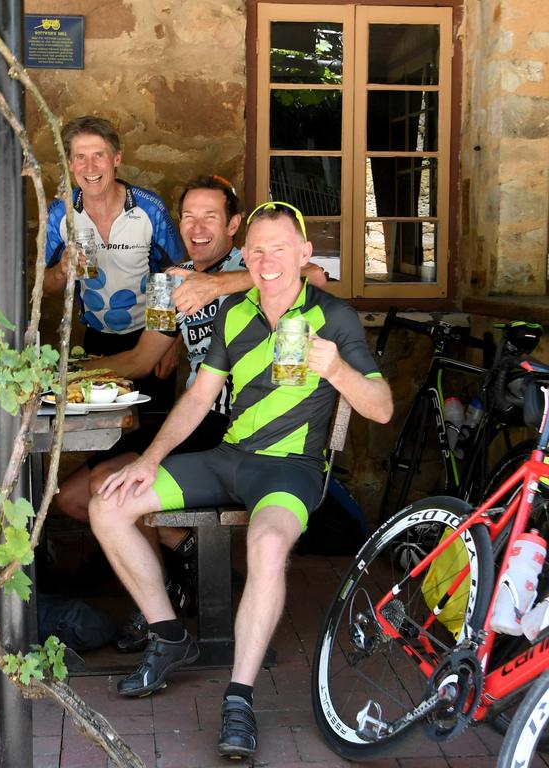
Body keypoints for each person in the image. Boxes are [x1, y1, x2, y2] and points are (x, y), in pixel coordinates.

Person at [88, 202, 392, 760]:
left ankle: (239, 695)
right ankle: (168, 634)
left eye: (279, 248)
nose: (266, 259)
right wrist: (148, 459)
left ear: (304, 256)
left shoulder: (335, 316)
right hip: (228, 457)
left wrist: (338, 371)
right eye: (256, 249)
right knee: (108, 504)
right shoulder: (233, 311)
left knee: (269, 543)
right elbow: (200, 397)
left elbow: (382, 409)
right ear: (243, 256)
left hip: (291, 469)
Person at [42, 115, 184, 423]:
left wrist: (172, 340)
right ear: (69, 163)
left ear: (116, 158)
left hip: (151, 334)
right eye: (80, 157)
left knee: (151, 427)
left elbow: (175, 274)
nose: (90, 168)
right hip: (97, 339)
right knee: (101, 431)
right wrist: (61, 270)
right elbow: (40, 287)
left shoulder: (149, 208)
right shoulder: (60, 215)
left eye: (98, 156)